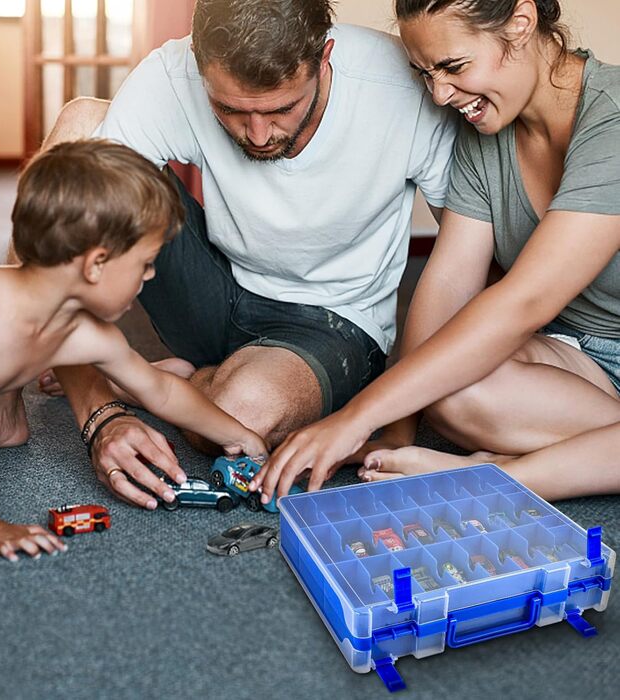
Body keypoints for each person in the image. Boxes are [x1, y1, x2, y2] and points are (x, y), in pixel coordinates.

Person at [33, 0, 458, 509]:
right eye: (231, 110)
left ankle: (161, 379)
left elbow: (458, 264)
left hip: (332, 318)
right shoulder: (173, 73)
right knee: (81, 131)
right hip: (216, 281)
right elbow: (59, 245)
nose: (257, 135)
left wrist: (396, 427)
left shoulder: (400, 88)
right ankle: (151, 383)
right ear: (198, 62)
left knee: (236, 419)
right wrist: (98, 414)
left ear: (325, 58)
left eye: (281, 109)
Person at [253, 0, 620, 503]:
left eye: (453, 66)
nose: (441, 94)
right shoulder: (485, 130)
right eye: (425, 73)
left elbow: (523, 304)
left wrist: (354, 417)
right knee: (448, 382)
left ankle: (498, 478)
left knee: (455, 363)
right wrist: (395, 431)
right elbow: (445, 287)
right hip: (582, 358)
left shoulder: (613, 117)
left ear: (521, 22)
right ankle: (581, 459)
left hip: (562, 340)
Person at [0, 140, 267, 561]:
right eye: (145, 263)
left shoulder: (83, 335)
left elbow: (162, 390)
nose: (152, 274)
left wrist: (240, 436)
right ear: (96, 264)